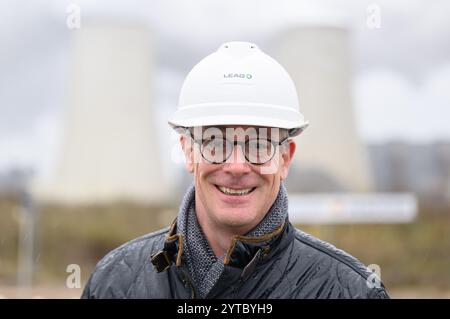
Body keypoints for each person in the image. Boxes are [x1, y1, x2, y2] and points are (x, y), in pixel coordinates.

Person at [81, 42, 389, 299]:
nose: (237, 166)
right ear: (189, 151)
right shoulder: (116, 283)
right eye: (215, 142)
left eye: (259, 144)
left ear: (285, 158)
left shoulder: (351, 291)